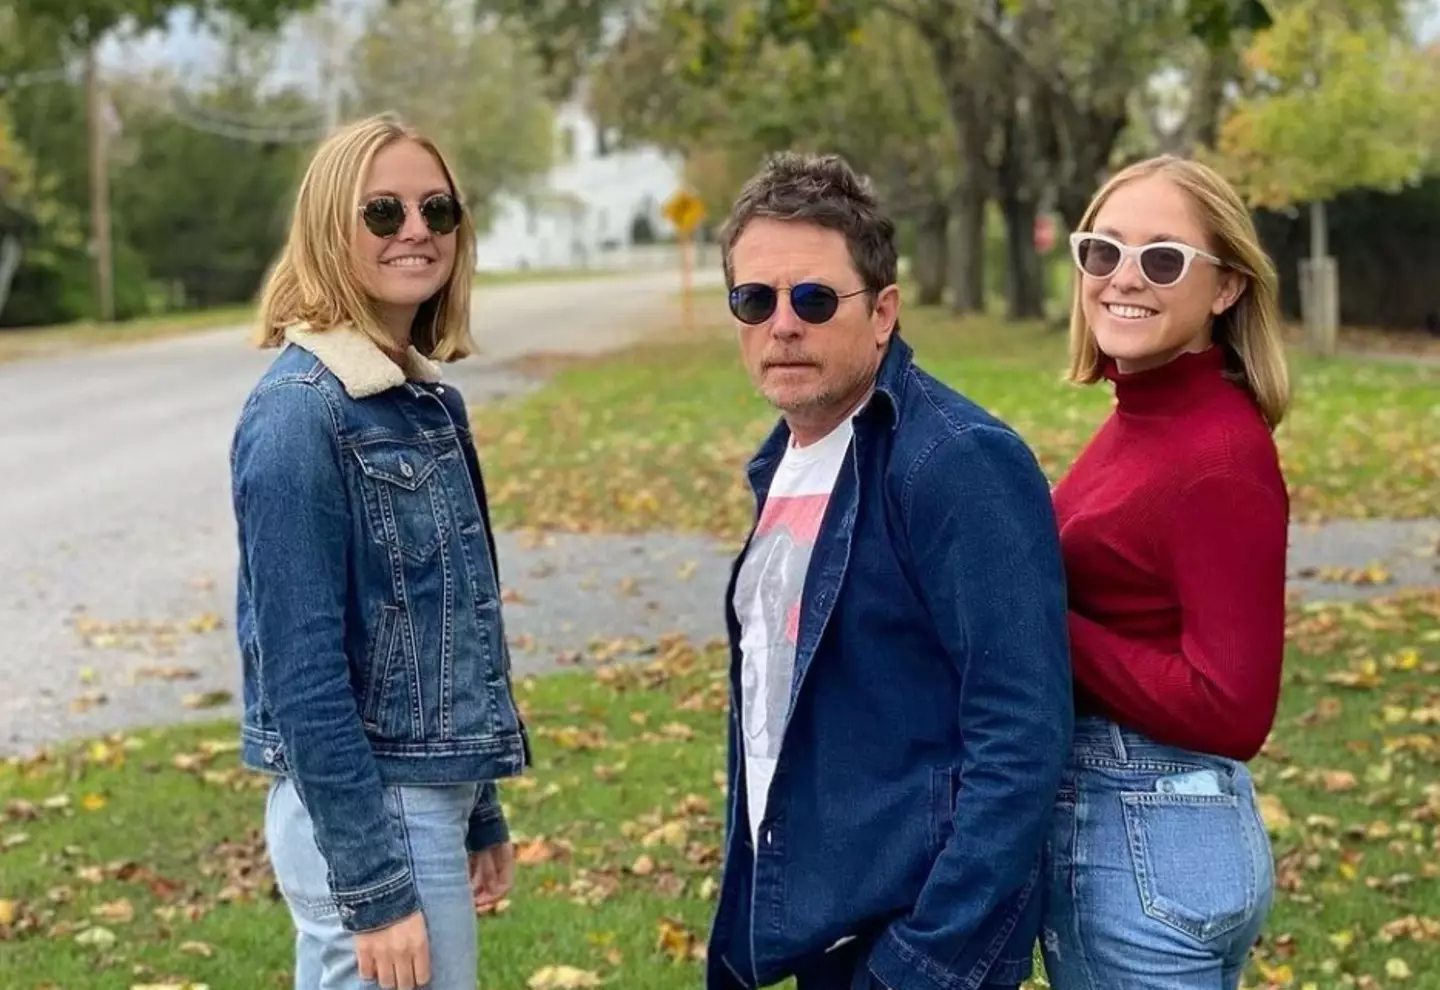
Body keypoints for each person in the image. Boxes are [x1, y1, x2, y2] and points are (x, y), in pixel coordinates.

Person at [705, 151, 1073, 990]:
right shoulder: (788, 461)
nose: (782, 324)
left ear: (884, 313)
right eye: (754, 300)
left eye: (814, 298)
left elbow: (1022, 737)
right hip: (820, 934)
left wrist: (924, 959)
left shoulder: (956, 463)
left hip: (911, 947)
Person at [229, 114, 530, 990]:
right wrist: (372, 886)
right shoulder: (298, 413)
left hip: (424, 800)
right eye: (383, 211)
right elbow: (302, 675)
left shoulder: (425, 404)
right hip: (370, 815)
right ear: (330, 228)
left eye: (438, 210)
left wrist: (478, 808)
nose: (416, 230)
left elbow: (449, 632)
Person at [1040, 154, 1291, 990]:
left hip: (1143, 842)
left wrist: (1038, 616)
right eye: (1102, 251)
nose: (1123, 278)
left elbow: (1233, 707)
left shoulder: (1216, 455)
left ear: (1224, 288)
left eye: (1162, 258)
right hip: (1147, 835)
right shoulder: (1143, 416)